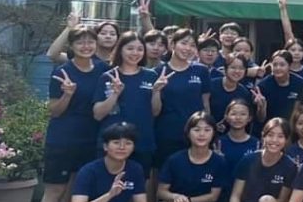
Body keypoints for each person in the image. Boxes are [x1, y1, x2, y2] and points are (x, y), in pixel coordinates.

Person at [35, 25, 109, 202]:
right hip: (63, 139)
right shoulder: (62, 71)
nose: (86, 46)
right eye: (80, 42)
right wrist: (67, 95)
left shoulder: (102, 69)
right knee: (54, 190)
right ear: (72, 46)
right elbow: (54, 111)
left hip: (91, 139)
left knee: (77, 188)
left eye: (90, 42)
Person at [92, 31, 161, 181]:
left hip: (142, 141)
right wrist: (115, 94)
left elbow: (155, 111)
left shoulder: (151, 76)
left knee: (139, 186)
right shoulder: (108, 77)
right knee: (108, 185)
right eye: (130, 48)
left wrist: (156, 92)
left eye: (139, 49)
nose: (135, 53)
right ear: (120, 49)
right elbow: (97, 114)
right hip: (113, 142)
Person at [153, 29, 212, 169]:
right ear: (172, 45)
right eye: (184, 43)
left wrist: (207, 131)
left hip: (195, 135)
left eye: (192, 45)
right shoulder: (158, 71)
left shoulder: (201, 71)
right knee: (164, 174)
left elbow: (206, 104)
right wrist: (156, 90)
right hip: (167, 134)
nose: (188, 48)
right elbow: (154, 111)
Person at [256, 50, 303, 122]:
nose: (278, 68)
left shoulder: (300, 83)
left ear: (289, 66)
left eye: (282, 65)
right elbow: (260, 119)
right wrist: (261, 107)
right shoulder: (263, 85)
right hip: (270, 125)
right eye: (275, 65)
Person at [217, 100, 260, 176]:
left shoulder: (257, 144)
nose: (238, 118)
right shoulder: (218, 143)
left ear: (249, 118)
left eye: (243, 114)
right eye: (233, 114)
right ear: (226, 117)